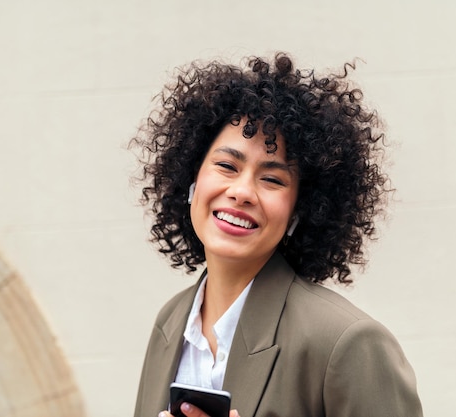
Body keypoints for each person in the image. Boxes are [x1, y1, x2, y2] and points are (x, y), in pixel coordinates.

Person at [131, 52, 423, 417]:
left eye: (271, 179)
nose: (241, 192)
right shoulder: (170, 322)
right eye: (226, 166)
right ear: (191, 178)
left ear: (302, 210)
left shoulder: (345, 343)